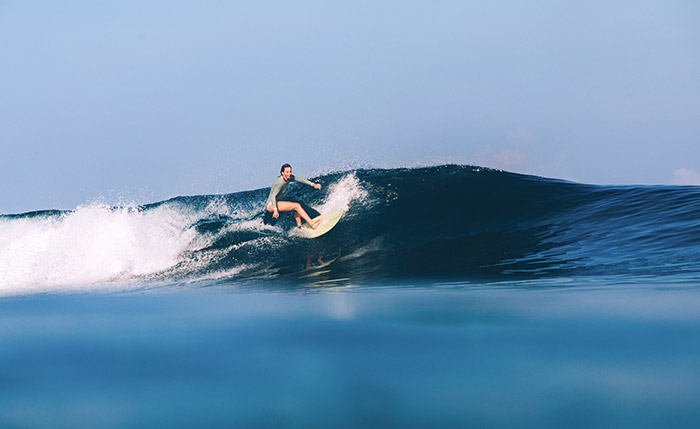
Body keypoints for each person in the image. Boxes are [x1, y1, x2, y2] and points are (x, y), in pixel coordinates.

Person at [265, 164, 322, 229]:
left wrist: (313, 184)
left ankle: (299, 227)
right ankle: (313, 224)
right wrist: (275, 210)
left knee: (297, 206)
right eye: (287, 172)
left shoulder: (289, 178)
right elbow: (273, 196)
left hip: (276, 202)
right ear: (282, 173)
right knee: (296, 206)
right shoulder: (280, 182)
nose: (289, 173)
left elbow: (301, 180)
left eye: (290, 171)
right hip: (271, 204)